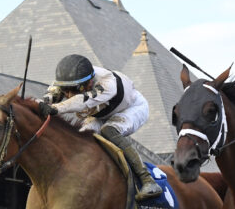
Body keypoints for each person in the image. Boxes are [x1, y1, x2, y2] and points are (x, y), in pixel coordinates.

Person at [39, 54, 162, 200]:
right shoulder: (68, 79)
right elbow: (49, 97)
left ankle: (147, 179)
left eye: (75, 89)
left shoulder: (108, 83)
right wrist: (39, 105)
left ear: (89, 82)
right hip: (100, 114)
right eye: (67, 90)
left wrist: (56, 109)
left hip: (132, 109)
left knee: (109, 130)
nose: (69, 94)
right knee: (80, 137)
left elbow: (81, 101)